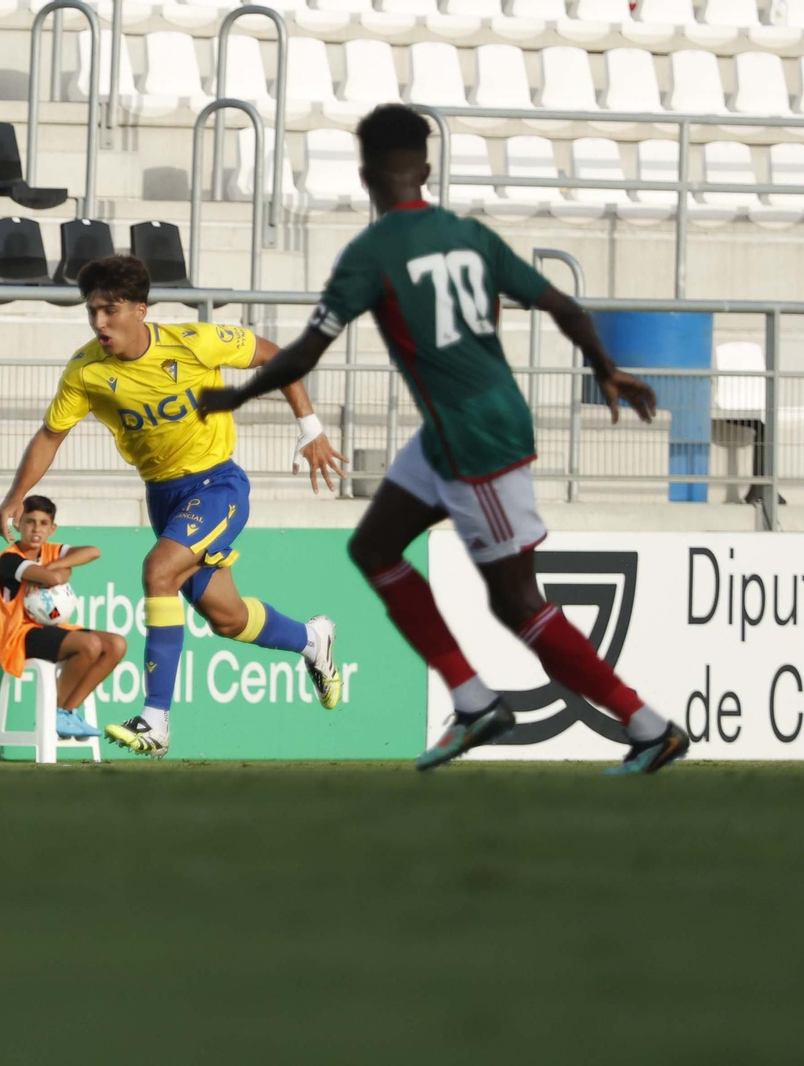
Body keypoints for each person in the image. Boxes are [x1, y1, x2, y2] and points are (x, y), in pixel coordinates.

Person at [197, 104, 688, 775]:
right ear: (425, 169)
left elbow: (307, 351)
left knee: (517, 603)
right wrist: (606, 369)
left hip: (476, 443)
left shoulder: (371, 254)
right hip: (454, 433)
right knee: (373, 545)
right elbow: (565, 307)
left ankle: (647, 725)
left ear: (366, 174)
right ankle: (473, 698)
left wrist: (234, 394)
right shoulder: (470, 236)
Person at [0, 256, 347, 761]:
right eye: (92, 311)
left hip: (218, 485)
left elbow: (279, 355)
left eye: (110, 310)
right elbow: (52, 435)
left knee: (158, 571)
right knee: (225, 618)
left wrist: (310, 429)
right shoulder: (86, 370)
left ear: (140, 309)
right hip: (163, 497)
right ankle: (313, 641)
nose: (99, 323)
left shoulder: (195, 342)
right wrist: (14, 495)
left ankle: (155, 720)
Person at [0, 495, 126, 739]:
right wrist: (58, 570)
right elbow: (55, 579)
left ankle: (67, 711)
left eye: (43, 523)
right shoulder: (10, 558)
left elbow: (92, 552)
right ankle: (56, 712)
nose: (36, 529)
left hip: (53, 628)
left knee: (116, 645)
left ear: (52, 528)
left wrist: (52, 568)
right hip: (19, 636)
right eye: (30, 521)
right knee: (90, 645)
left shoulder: (52, 552)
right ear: (18, 525)